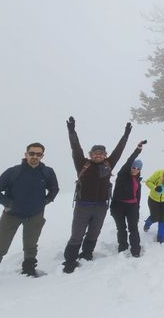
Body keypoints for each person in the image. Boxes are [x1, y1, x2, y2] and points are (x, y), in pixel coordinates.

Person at [0, 143, 59, 291]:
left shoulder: (47, 172)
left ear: (42, 156)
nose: (35, 156)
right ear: (26, 154)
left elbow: (54, 188)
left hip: (35, 215)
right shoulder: (13, 172)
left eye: (38, 154)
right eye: (32, 153)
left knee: (31, 246)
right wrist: (8, 203)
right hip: (11, 216)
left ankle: (28, 269)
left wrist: (45, 201)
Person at [63, 116, 130, 274]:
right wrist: (72, 131)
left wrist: (125, 135)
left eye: (101, 153)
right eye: (95, 153)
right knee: (77, 235)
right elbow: (75, 148)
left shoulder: (108, 164)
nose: (98, 155)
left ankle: (86, 254)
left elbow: (119, 151)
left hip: (101, 207)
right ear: (90, 154)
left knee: (94, 233)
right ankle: (70, 261)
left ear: (105, 155)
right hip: (83, 206)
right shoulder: (82, 164)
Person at [110, 140, 146, 257]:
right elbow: (129, 161)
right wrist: (137, 150)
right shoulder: (122, 175)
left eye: (138, 168)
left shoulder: (138, 181)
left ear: (140, 170)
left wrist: (137, 208)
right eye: (133, 167)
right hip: (118, 206)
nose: (135, 169)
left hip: (132, 207)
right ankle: (122, 247)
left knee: (133, 228)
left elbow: (138, 196)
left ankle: (136, 250)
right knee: (121, 228)